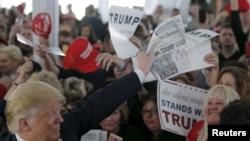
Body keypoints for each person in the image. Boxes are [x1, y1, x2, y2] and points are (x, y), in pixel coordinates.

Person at [1, 49, 154, 141]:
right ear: (24, 124)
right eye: (51, 114)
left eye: (59, 111)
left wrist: (139, 73)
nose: (60, 118)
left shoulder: (66, 126)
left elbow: (98, 103)